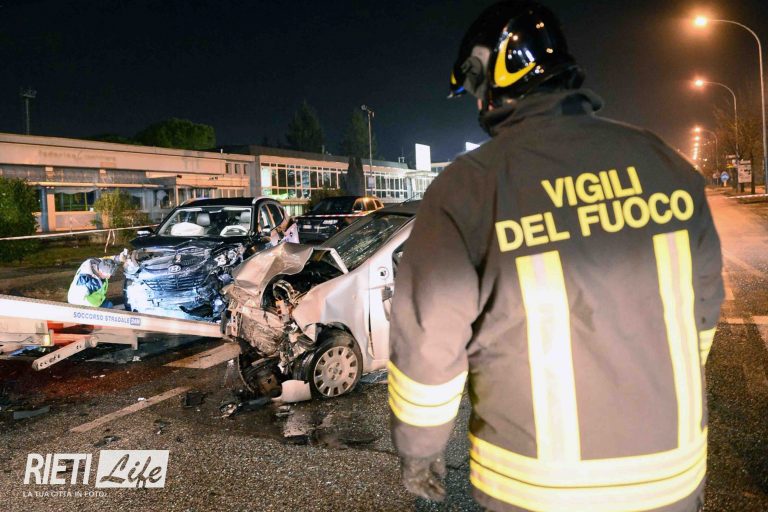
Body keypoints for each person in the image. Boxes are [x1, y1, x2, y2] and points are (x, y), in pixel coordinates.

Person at [388, 2, 724, 511]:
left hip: (537, 487)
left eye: (475, 85)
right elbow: (702, 313)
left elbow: (428, 341)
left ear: (495, 73)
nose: (477, 101)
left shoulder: (471, 185)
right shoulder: (666, 165)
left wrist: (419, 448)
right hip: (671, 478)